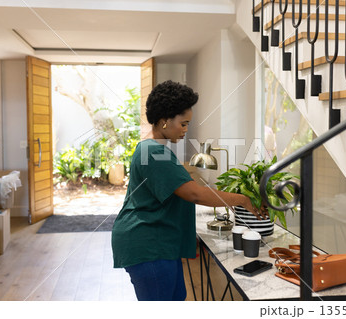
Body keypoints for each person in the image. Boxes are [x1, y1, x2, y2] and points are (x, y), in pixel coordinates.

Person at [111, 80, 268, 301]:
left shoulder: (152, 149)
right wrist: (242, 199)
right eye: (183, 124)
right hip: (148, 245)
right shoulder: (155, 153)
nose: (186, 130)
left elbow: (186, 188)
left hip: (158, 243)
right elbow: (194, 193)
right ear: (165, 122)